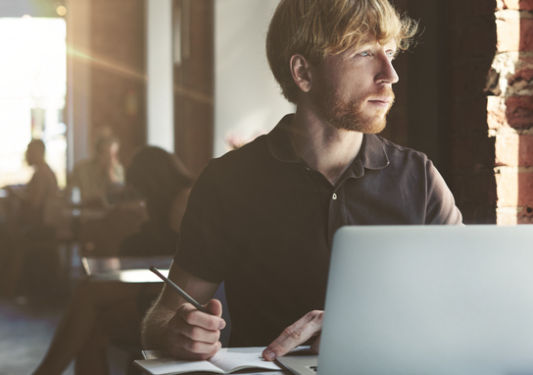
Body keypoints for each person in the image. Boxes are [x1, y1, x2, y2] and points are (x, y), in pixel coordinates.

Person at [141, 0, 463, 362]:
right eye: (364, 53)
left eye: (389, 52)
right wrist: (178, 332)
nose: (390, 73)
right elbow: (163, 316)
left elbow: (465, 311)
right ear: (303, 73)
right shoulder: (227, 181)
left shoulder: (418, 178)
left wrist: (356, 330)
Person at [32, 147, 194, 375]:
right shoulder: (176, 198)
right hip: (166, 287)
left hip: (184, 295)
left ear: (150, 181)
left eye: (141, 188)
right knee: (91, 322)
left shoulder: (184, 200)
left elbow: (184, 262)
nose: (141, 196)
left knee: (89, 295)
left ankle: (45, 371)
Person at [67, 133, 124, 205]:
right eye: (110, 154)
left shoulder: (117, 169)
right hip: (85, 212)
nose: (114, 159)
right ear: (99, 154)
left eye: (116, 154)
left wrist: (111, 174)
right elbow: (73, 198)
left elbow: (120, 197)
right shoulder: (81, 169)